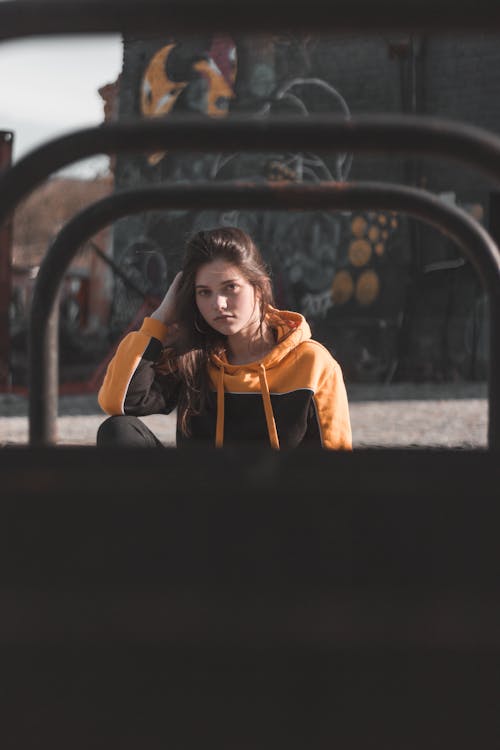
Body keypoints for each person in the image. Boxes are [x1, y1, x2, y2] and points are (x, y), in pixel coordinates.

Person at [97, 226, 352, 450]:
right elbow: (119, 402)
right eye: (204, 292)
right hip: (201, 501)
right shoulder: (193, 357)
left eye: (230, 288)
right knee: (118, 431)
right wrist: (160, 319)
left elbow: (334, 467)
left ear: (260, 288)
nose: (218, 303)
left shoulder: (313, 363)